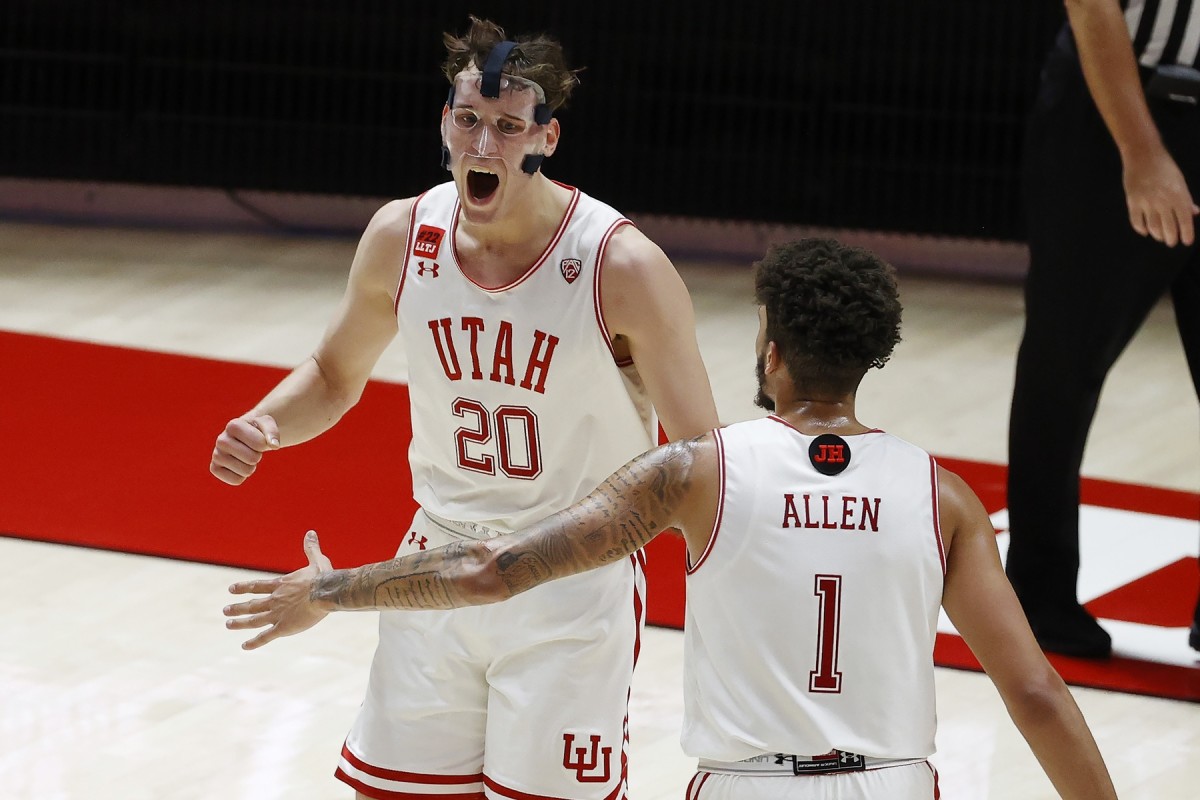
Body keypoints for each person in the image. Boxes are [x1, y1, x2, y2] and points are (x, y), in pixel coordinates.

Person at [225, 238, 1119, 800]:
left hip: (745, 786)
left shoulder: (697, 475)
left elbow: (486, 570)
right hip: (894, 783)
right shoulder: (942, 497)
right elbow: (1036, 693)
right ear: (871, 359)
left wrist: (330, 590)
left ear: (770, 350)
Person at [208, 16, 719, 800]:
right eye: (470, 121)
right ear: (445, 121)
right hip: (435, 562)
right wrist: (269, 421)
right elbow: (334, 373)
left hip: (568, 578)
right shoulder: (401, 234)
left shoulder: (622, 266)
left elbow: (699, 459)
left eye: (509, 128)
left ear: (547, 138)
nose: (484, 146)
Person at [1006, 0, 1200, 659]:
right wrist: (1143, 154)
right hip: (1110, 110)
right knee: (1064, 361)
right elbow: (1092, 6)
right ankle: (1038, 597)